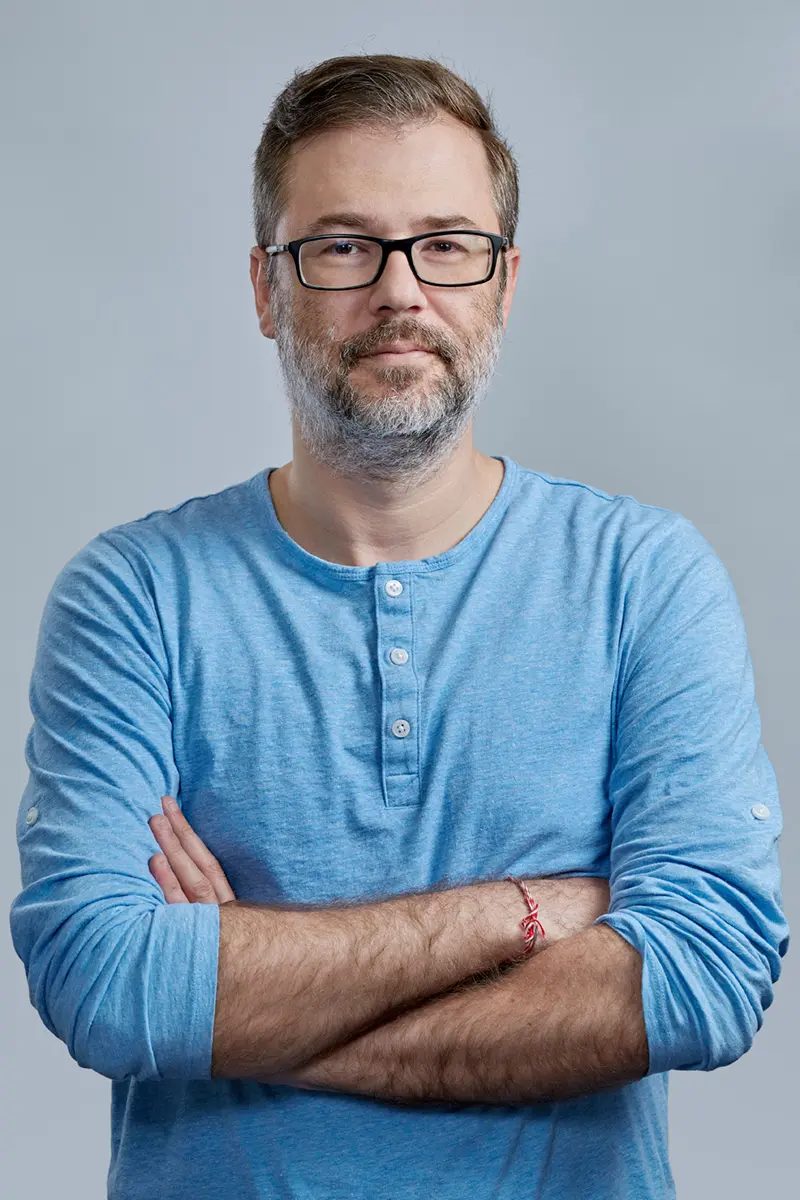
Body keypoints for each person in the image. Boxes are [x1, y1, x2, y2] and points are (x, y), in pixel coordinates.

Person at [9, 53, 788, 1200]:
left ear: (502, 281)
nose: (399, 292)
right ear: (266, 288)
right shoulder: (135, 597)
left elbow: (705, 977)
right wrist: (528, 912)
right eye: (341, 247)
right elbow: (106, 983)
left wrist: (242, 1004)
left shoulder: (643, 580)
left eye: (445, 244)